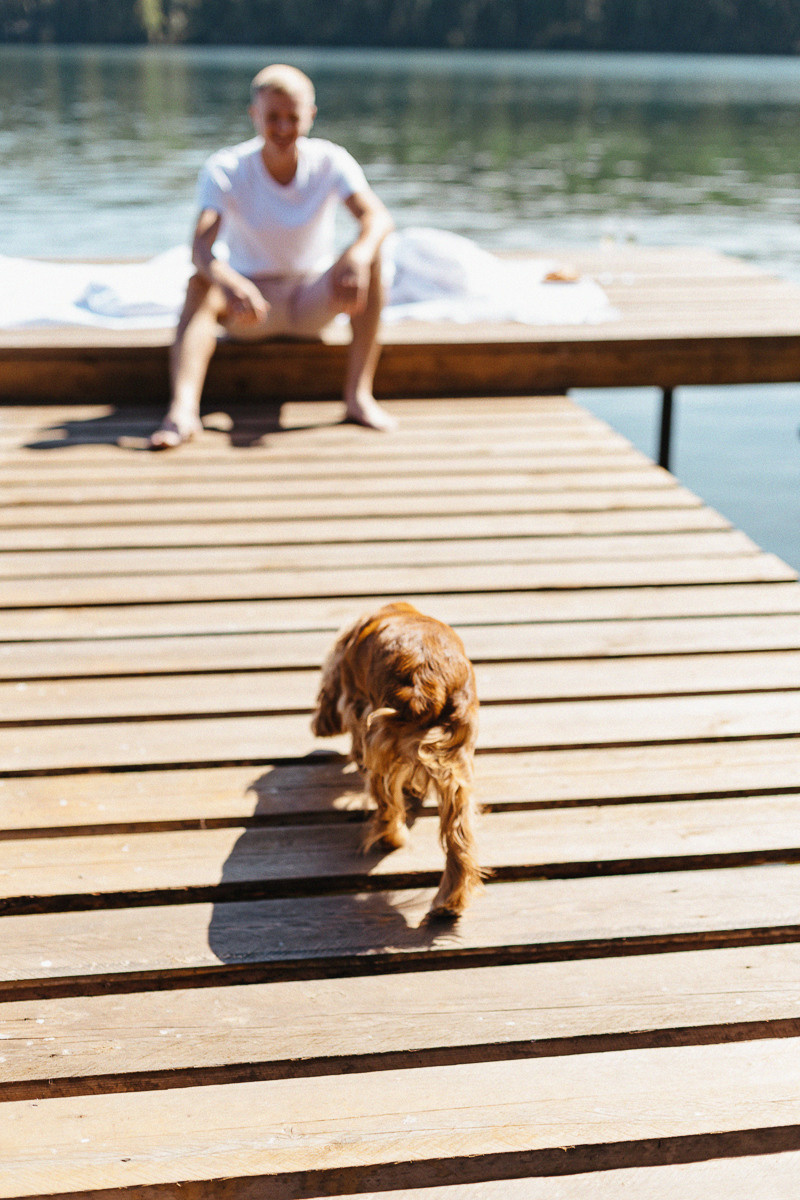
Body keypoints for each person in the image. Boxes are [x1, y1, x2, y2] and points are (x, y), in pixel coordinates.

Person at [150, 63, 396, 448]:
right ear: (254, 115)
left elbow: (377, 217)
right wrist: (228, 280)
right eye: (272, 118)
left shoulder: (331, 160)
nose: (282, 129)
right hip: (251, 306)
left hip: (311, 301)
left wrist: (359, 255)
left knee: (373, 260)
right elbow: (200, 248)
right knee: (200, 282)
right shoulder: (226, 167)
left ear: (310, 116)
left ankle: (358, 397)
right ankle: (183, 411)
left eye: (292, 118)